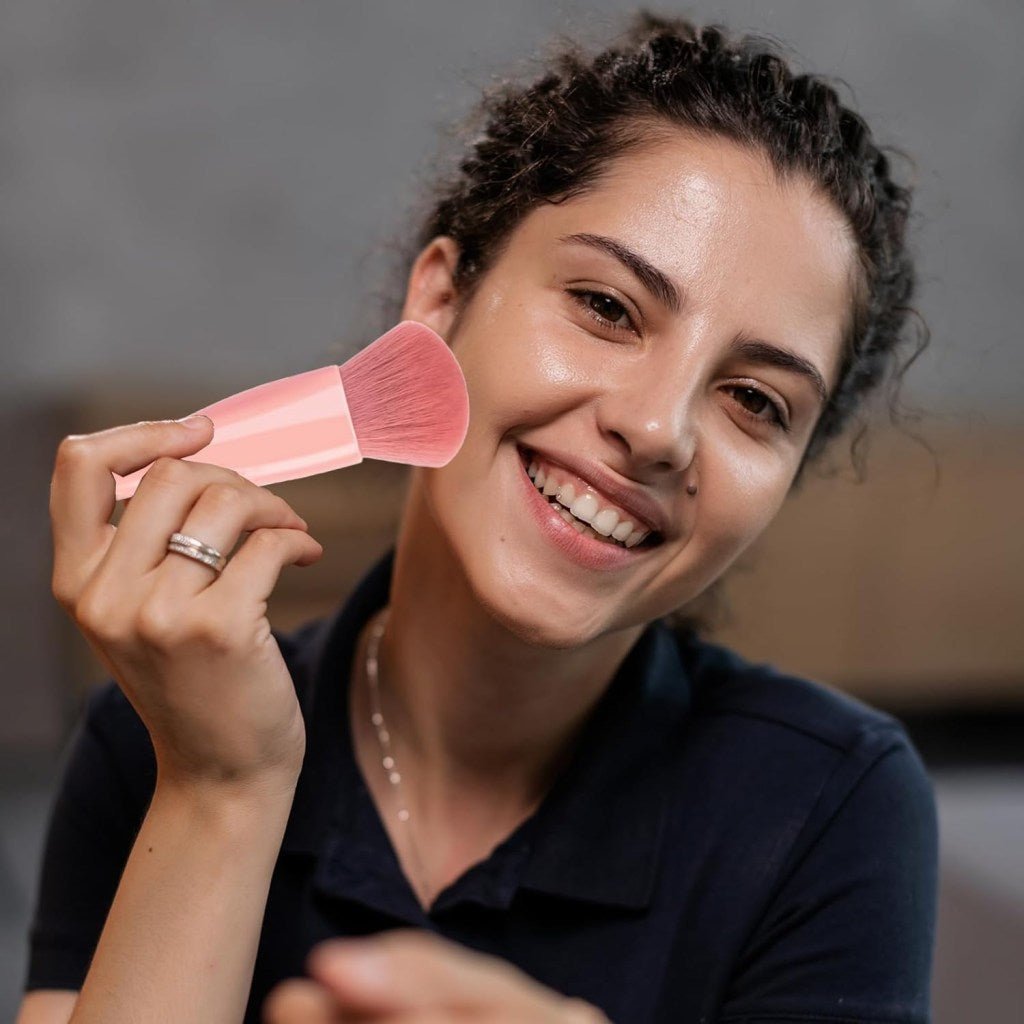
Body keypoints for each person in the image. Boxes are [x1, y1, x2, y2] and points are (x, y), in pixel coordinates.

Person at [19, 12, 937, 1024]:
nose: (655, 427)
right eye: (606, 306)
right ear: (439, 303)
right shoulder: (154, 734)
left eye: (756, 402)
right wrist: (219, 787)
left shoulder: (829, 805)